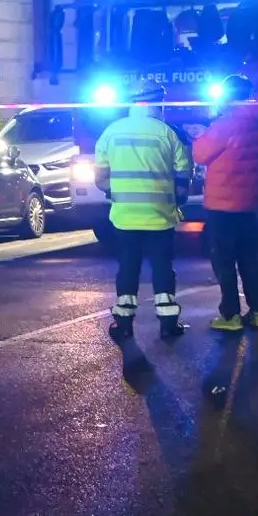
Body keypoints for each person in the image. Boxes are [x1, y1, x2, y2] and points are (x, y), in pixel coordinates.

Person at [95, 84, 193, 340]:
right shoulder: (167, 133)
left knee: (128, 266)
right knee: (162, 267)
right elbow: (184, 172)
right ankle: (168, 322)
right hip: (160, 216)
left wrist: (114, 193)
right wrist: (178, 198)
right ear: (156, 104)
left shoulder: (111, 132)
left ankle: (124, 323)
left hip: (125, 216)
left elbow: (100, 178)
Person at [192, 74, 258, 332]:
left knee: (224, 260)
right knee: (250, 259)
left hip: (222, 204)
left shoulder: (225, 124)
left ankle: (230, 315)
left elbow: (201, 154)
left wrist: (200, 134)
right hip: (248, 202)